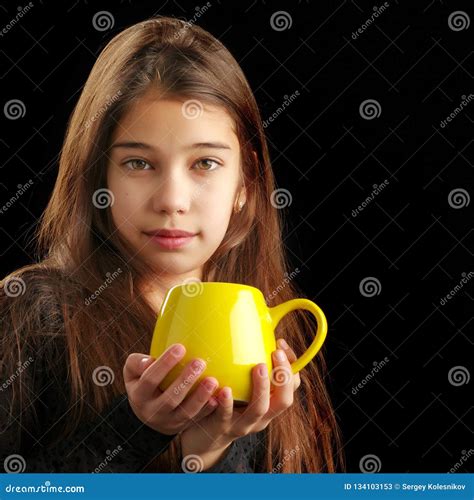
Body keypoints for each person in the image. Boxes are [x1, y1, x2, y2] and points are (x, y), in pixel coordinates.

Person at [0, 16, 344, 473]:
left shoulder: (261, 328)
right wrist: (139, 428)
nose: (172, 201)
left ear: (246, 179)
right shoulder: (33, 313)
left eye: (204, 162)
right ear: (99, 173)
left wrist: (209, 449)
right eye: (139, 163)